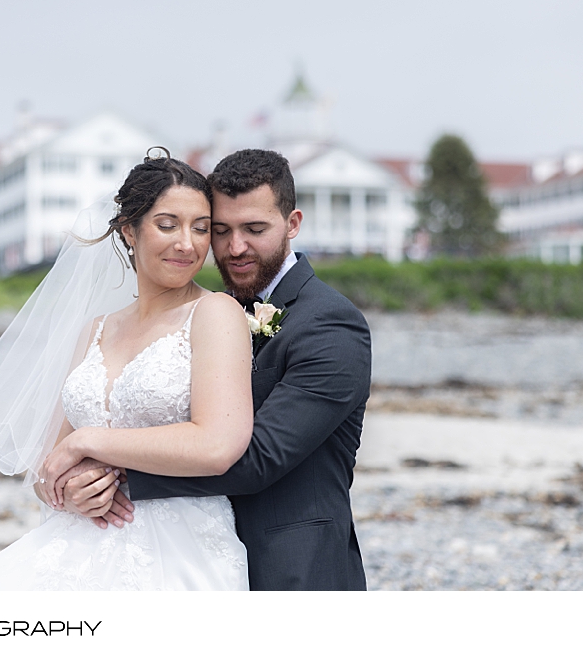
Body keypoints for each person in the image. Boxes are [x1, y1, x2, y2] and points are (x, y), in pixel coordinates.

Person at [52, 148, 371, 591]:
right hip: (159, 552)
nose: (234, 247)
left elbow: (258, 457)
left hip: (290, 568)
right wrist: (70, 487)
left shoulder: (330, 324)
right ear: (130, 232)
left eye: (254, 229)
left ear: (292, 224)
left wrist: (103, 467)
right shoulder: (211, 310)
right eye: (219, 230)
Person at [0, 149, 253, 591]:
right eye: (167, 225)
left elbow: (218, 444)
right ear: (130, 230)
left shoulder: (215, 313)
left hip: (179, 550)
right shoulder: (95, 330)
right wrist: (67, 492)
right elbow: (47, 464)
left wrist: (91, 440)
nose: (187, 243)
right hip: (78, 542)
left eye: (201, 228)